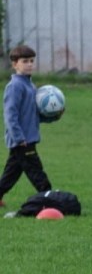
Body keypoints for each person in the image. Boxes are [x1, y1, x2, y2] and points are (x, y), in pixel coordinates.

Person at [0, 45, 52, 207]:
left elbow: (33, 115)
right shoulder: (15, 86)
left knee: (11, 174)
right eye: (25, 61)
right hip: (22, 140)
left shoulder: (30, 85)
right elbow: (10, 115)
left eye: (31, 61)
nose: (29, 64)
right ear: (15, 64)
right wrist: (19, 137)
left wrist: (53, 117)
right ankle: (49, 200)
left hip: (27, 138)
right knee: (37, 172)